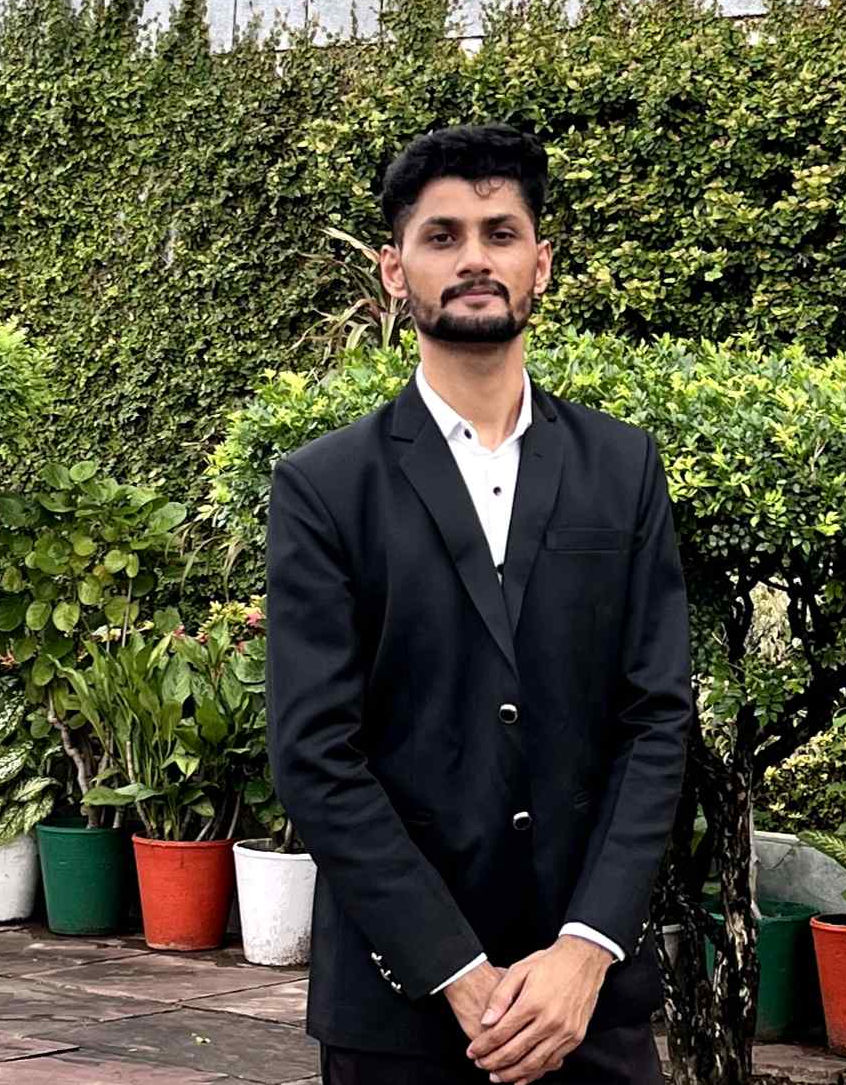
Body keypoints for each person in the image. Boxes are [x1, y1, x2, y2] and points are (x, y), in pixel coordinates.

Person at [266, 123, 692, 1085]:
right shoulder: (325, 487)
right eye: (442, 235)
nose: (474, 259)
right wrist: (457, 971)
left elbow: (657, 718)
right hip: (401, 1012)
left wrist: (586, 947)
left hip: (590, 1006)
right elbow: (315, 754)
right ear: (394, 269)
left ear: (541, 263)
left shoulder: (622, 467)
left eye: (501, 233)